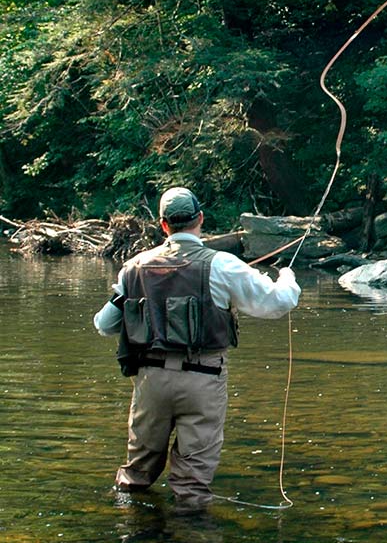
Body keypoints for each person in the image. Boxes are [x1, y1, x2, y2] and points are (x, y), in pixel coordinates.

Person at [93, 187, 300, 511]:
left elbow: (105, 325)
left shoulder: (132, 268)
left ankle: (131, 525)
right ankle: (193, 530)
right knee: (192, 484)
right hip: (204, 380)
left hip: (151, 382)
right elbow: (277, 303)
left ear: (163, 225)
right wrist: (287, 277)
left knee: (136, 476)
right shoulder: (222, 265)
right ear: (200, 219)